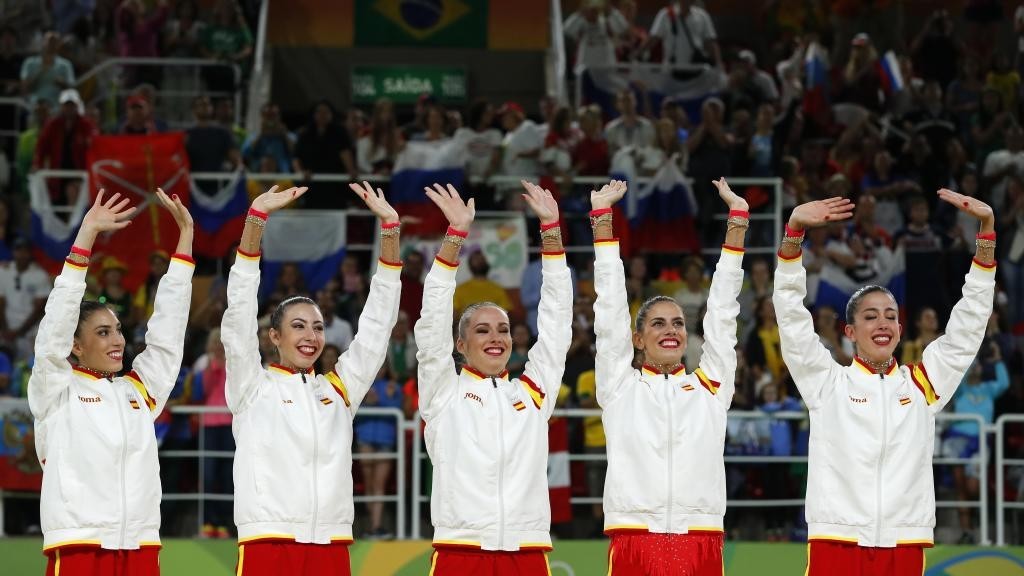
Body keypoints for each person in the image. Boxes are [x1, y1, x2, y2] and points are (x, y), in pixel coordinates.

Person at [773, 189, 996, 575]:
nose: (883, 324)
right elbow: (792, 321)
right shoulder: (828, 385)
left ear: (899, 328)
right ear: (850, 331)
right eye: (871, 316)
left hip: (903, 543)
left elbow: (967, 329)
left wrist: (987, 235)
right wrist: (793, 236)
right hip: (836, 542)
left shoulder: (921, 387)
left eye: (890, 316)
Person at [222, 182, 402, 575]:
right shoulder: (251, 386)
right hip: (269, 542)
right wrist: (255, 223)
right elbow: (237, 317)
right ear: (274, 336)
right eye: (299, 326)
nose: (311, 337)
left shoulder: (338, 390)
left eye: (318, 328)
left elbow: (376, 328)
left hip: (331, 543)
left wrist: (389, 231)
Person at [29, 188, 194, 575]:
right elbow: (53, 331)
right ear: (76, 344)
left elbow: (168, 339)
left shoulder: (137, 393)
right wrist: (85, 238)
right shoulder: (55, 389)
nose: (118, 340)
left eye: (118, 330)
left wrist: (184, 243)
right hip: (79, 546)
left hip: (139, 545)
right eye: (103, 332)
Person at [591, 178, 747, 575]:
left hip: (701, 539)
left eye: (678, 322)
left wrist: (737, 223)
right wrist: (602, 222)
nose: (671, 330)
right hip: (634, 539)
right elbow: (609, 312)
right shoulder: (620, 385)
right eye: (658, 324)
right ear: (638, 338)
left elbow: (723, 316)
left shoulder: (710, 387)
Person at [416, 181, 571, 574]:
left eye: (502, 329)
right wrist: (455, 236)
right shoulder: (443, 392)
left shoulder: (533, 394)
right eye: (482, 330)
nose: (496, 338)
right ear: (460, 344)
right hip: (460, 551)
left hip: (528, 551)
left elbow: (555, 326)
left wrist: (551, 229)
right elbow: (432, 321)